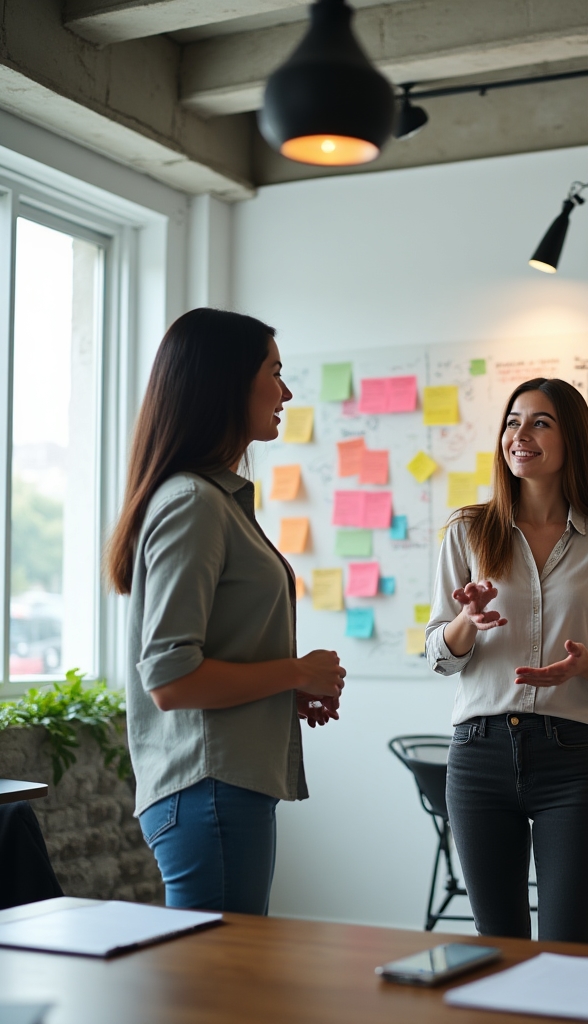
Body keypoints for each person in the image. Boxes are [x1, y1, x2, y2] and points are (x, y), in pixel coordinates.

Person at [107, 308, 346, 915]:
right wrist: (296, 672)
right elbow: (170, 678)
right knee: (213, 996)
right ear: (227, 382)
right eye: (274, 372)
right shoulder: (193, 502)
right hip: (207, 790)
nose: (286, 392)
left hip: (218, 788)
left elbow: (210, 655)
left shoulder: (212, 498)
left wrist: (281, 690)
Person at [426, 378, 588, 944]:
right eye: (512, 421)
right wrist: (466, 624)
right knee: (497, 946)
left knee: (568, 946)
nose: (519, 435)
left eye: (540, 422)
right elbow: (436, 655)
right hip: (479, 755)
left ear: (571, 438)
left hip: (571, 758)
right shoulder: (467, 531)